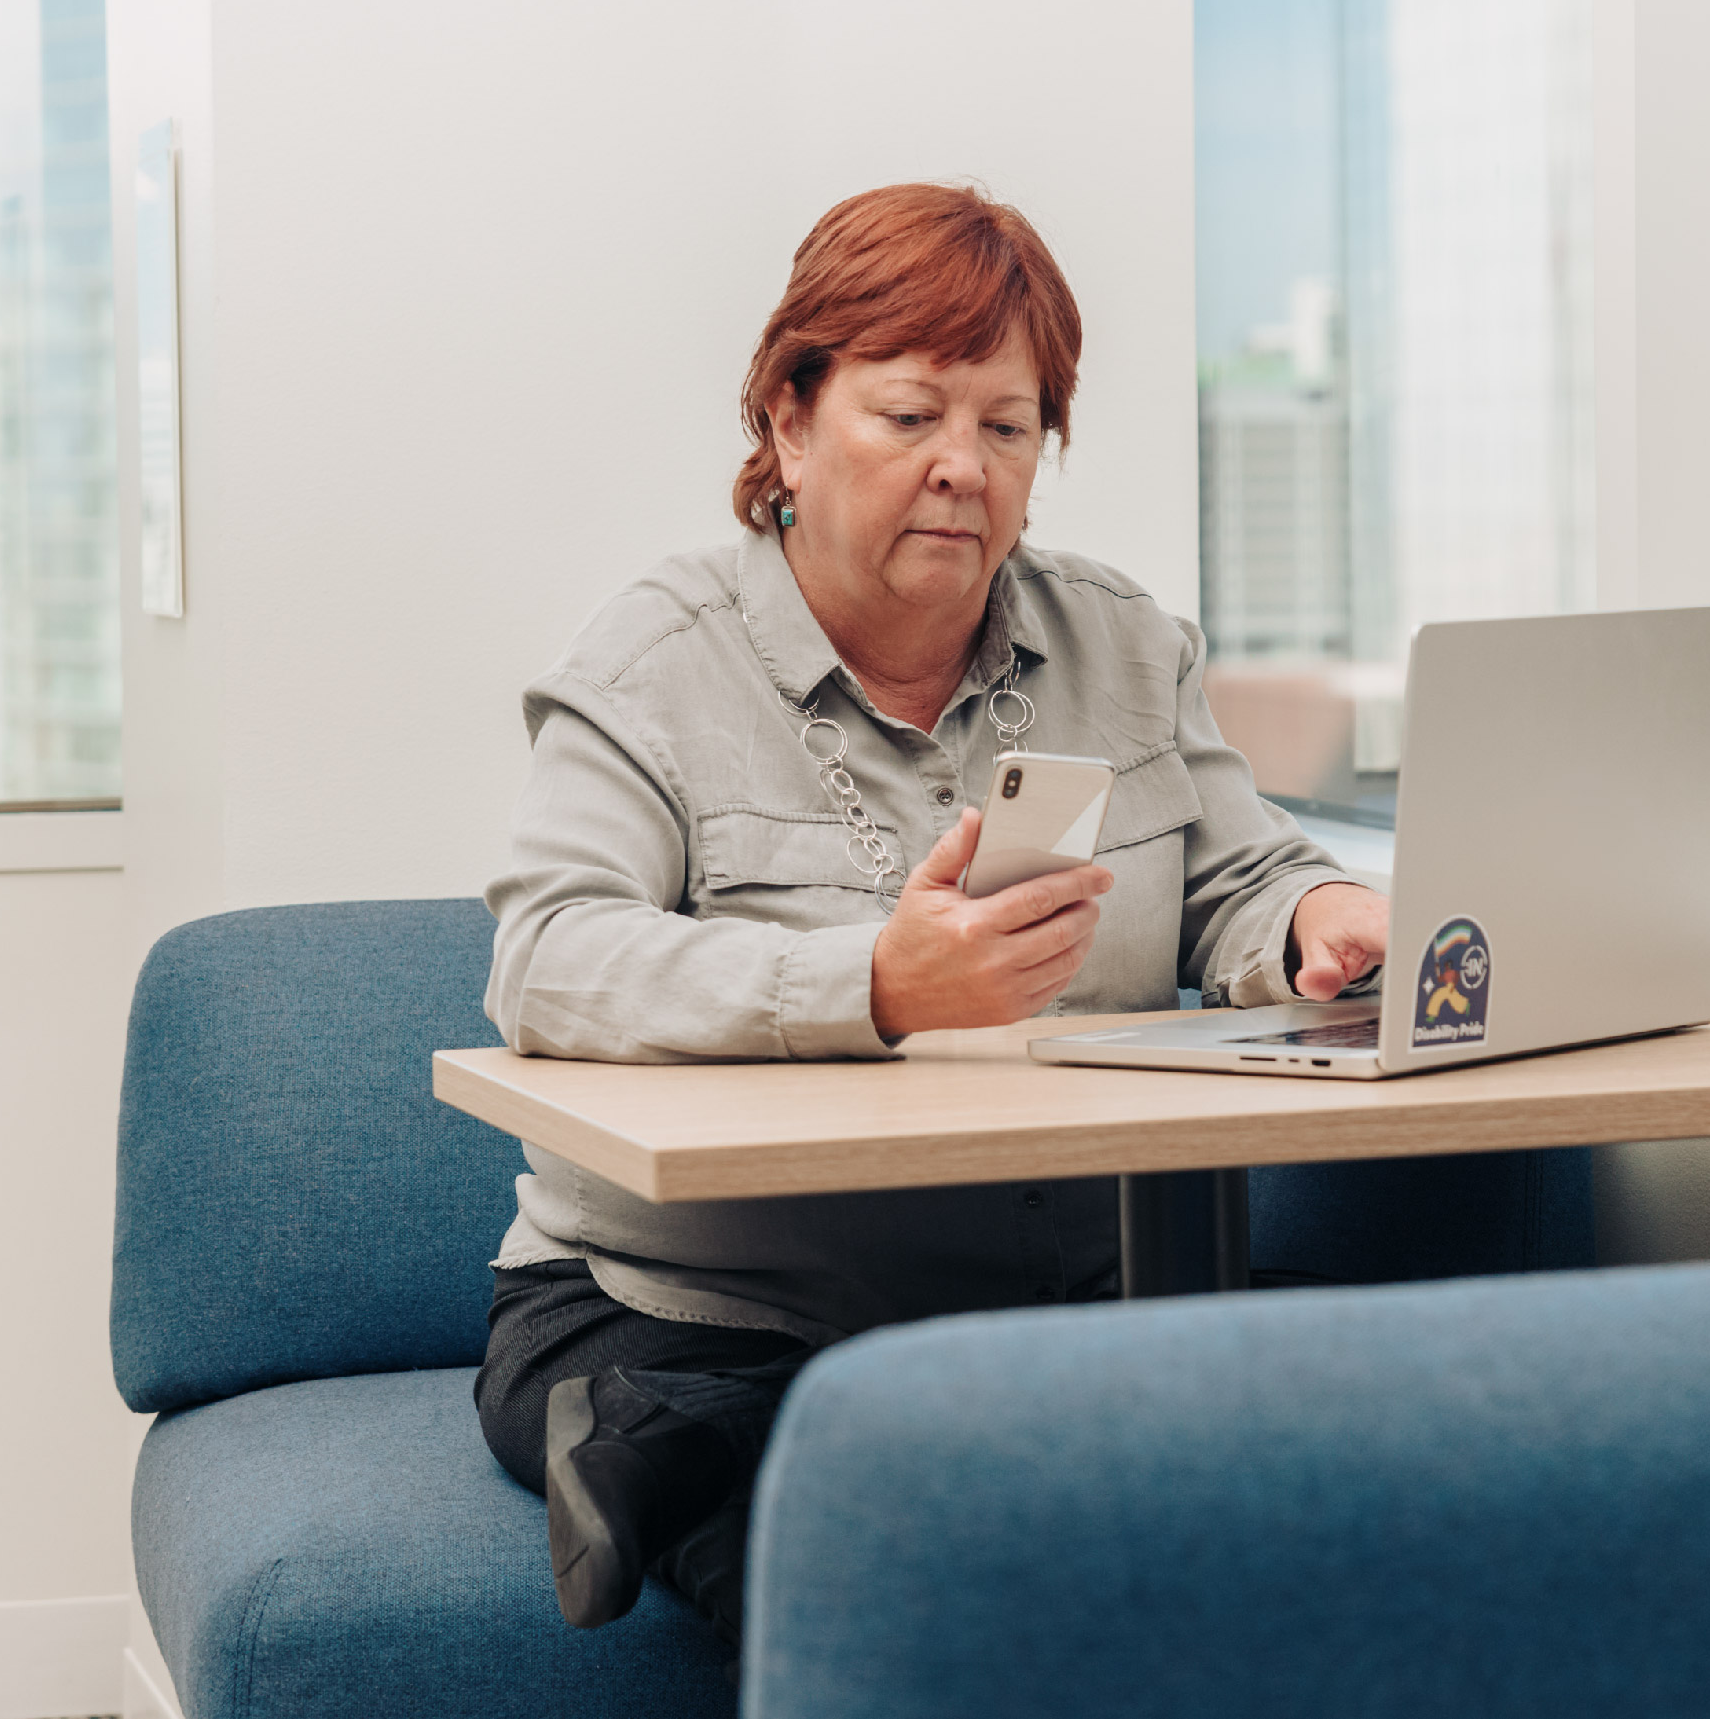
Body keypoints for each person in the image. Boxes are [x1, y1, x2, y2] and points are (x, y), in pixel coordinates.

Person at [475, 182, 1392, 1646]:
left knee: (1331, 1462)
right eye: (911, 417)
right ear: (788, 418)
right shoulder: (656, 658)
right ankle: (671, 1441)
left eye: (1008, 426)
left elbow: (1240, 878)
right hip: (696, 1304)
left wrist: (1321, 916)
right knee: (892, 1542)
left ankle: (692, 1470)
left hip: (1070, 1302)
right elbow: (550, 956)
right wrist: (873, 984)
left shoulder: (1126, 643)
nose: (964, 467)